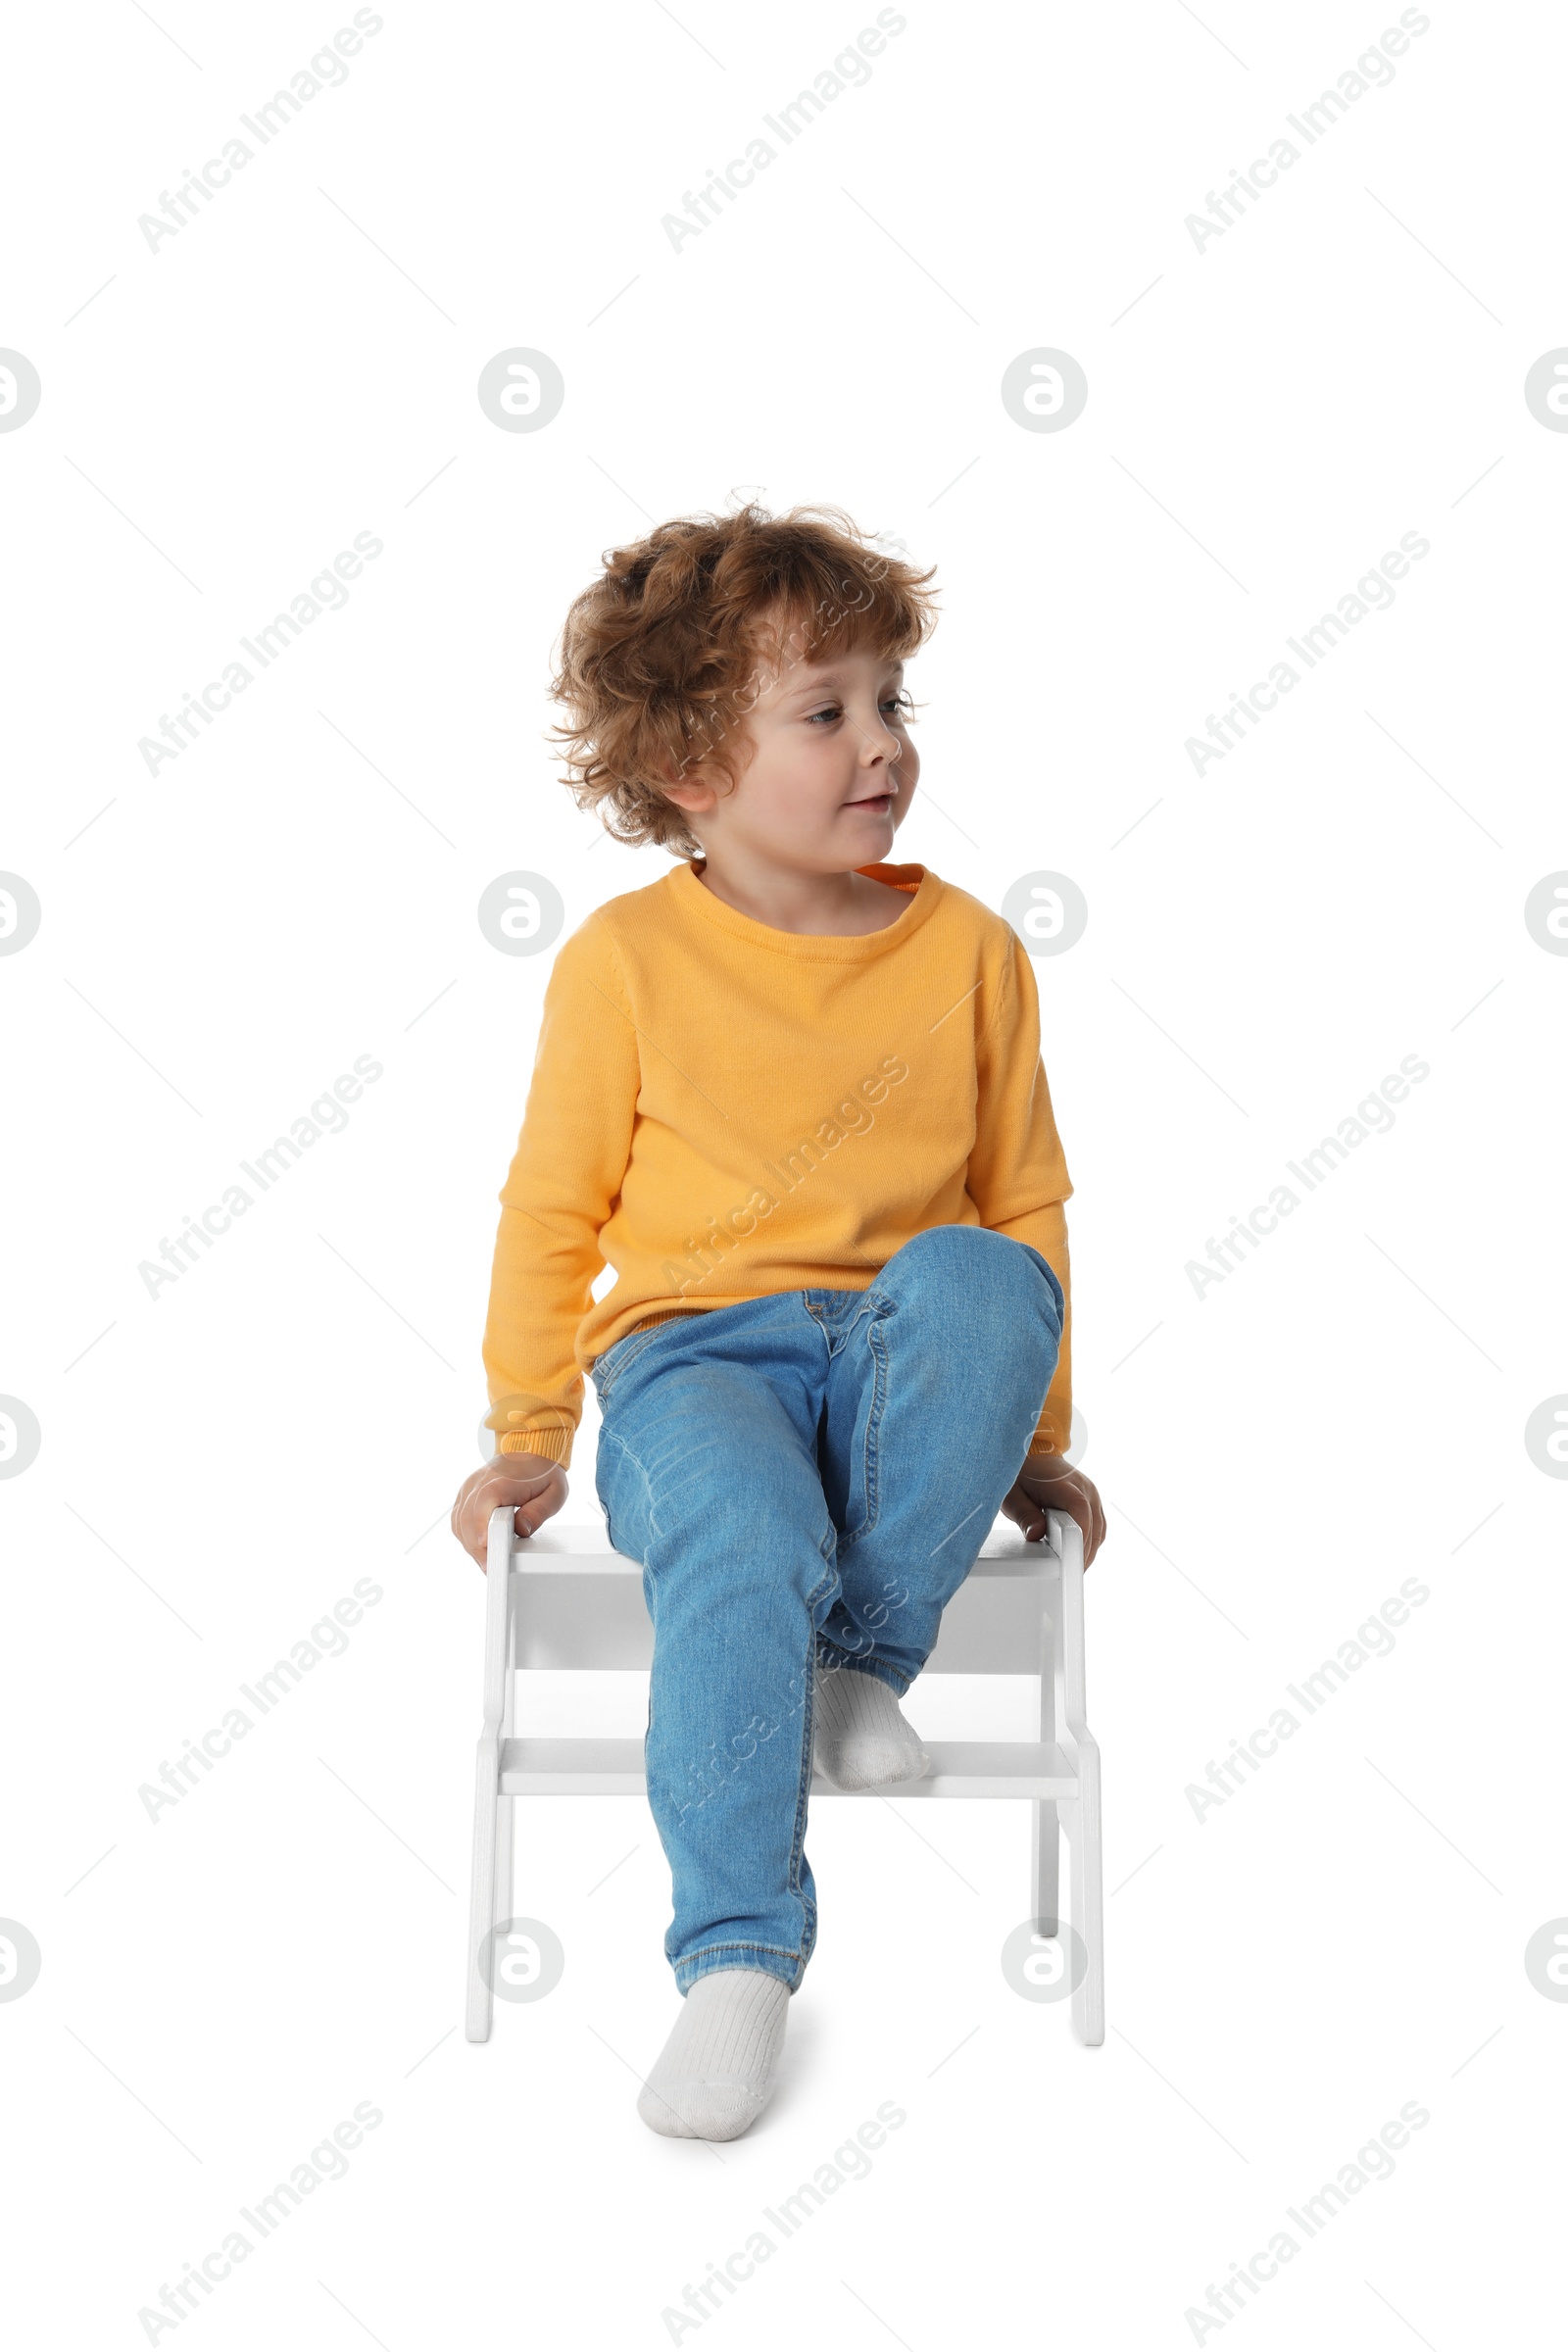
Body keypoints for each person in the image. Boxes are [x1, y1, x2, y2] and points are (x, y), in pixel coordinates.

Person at [451, 501, 1106, 2141]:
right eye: (826, 713)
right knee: (738, 1527)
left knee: (980, 1273)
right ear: (690, 769)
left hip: (900, 1356)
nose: (880, 745)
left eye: (892, 703)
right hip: (696, 1359)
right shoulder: (623, 963)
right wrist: (528, 1434)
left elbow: (1024, 1200)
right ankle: (739, 1955)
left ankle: (855, 1664)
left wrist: (1035, 1440)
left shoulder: (969, 951)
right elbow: (555, 1209)